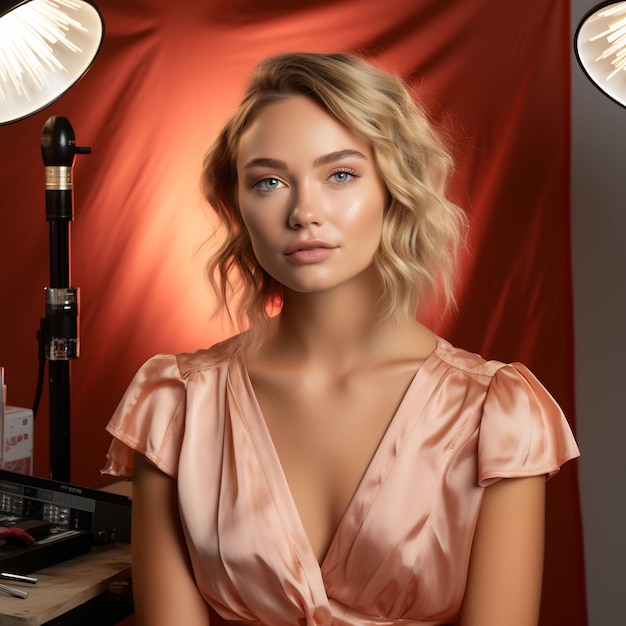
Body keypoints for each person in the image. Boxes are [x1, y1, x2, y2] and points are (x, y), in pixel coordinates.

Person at [102, 52, 580, 626]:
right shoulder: (175, 404)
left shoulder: (495, 413)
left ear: (395, 189)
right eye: (270, 181)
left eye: (341, 174)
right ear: (237, 205)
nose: (304, 212)